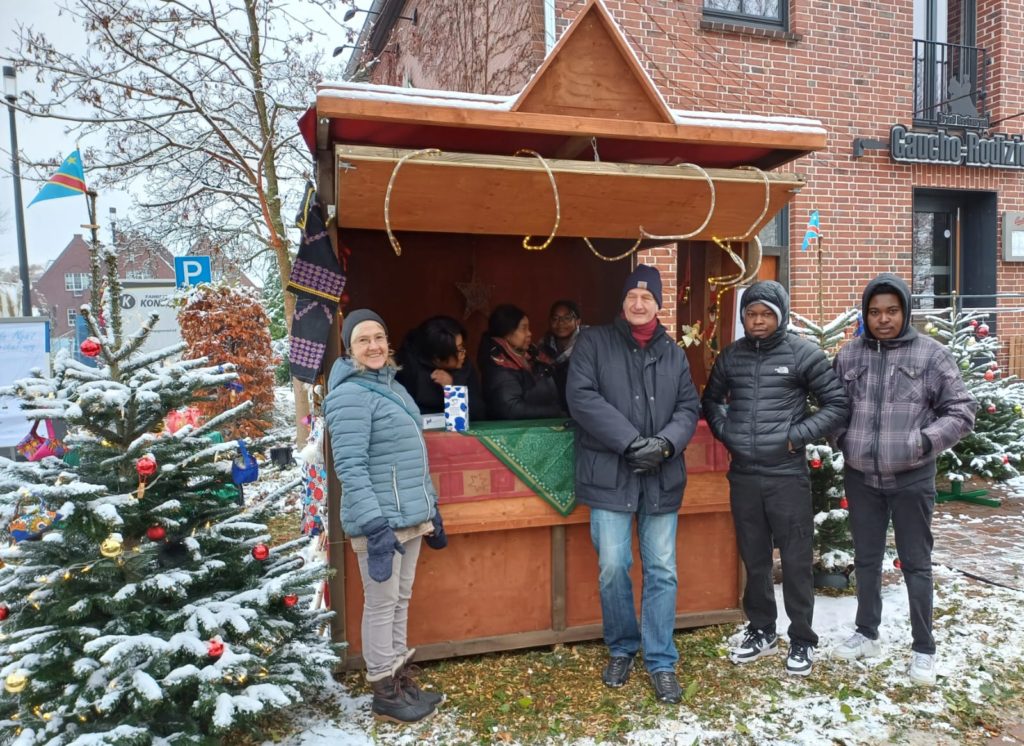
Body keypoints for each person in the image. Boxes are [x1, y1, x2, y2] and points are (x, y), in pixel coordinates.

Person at [831, 274, 976, 685]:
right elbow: (832, 405)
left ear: (905, 311)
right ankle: (866, 632)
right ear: (865, 314)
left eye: (891, 311)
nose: (883, 319)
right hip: (861, 477)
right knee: (866, 558)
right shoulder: (849, 356)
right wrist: (842, 438)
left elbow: (962, 410)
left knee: (916, 563)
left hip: (912, 476)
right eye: (875, 312)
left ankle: (923, 648)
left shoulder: (931, 355)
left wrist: (922, 443)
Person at [566, 264, 700, 704]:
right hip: (610, 476)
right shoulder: (593, 342)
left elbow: (688, 406)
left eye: (647, 299)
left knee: (662, 569)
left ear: (658, 305)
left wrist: (663, 444)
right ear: (622, 303)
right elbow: (582, 397)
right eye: (631, 298)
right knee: (613, 565)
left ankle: (661, 659)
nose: (638, 304)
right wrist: (630, 443)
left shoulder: (674, 353)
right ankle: (623, 646)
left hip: (662, 475)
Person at [701, 280, 849, 677]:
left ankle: (802, 638)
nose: (758, 320)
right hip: (745, 476)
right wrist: (724, 430)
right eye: (751, 314)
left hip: (787, 476)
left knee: (797, 560)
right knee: (755, 558)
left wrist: (795, 437)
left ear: (780, 316)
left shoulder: (803, 355)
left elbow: (837, 405)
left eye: (767, 314)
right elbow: (711, 400)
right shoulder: (731, 357)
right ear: (743, 317)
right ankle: (762, 629)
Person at [323, 309, 449, 723]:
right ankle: (383, 690)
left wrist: (431, 508)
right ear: (349, 347)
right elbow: (351, 468)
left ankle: (398, 677)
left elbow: (414, 455)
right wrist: (375, 527)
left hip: (409, 515)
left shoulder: (391, 386)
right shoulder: (347, 396)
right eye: (363, 340)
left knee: (400, 599)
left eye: (379, 336)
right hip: (380, 521)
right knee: (381, 604)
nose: (374, 346)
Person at [480, 304, 564, 420]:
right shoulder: (499, 363)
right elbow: (510, 409)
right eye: (524, 328)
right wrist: (556, 412)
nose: (529, 333)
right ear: (508, 333)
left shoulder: (531, 355)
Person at [396, 315, 484, 420]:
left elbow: (478, 413)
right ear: (437, 358)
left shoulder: (463, 364)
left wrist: (452, 388)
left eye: (462, 347)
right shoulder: (406, 367)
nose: (463, 353)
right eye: (458, 350)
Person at [538, 299, 583, 408]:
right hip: (554, 407)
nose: (560, 323)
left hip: (580, 404)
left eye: (567, 318)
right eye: (555, 318)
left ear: (577, 321)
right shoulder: (543, 345)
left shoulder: (587, 344)